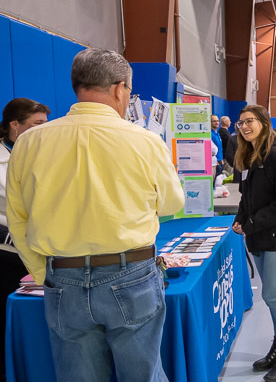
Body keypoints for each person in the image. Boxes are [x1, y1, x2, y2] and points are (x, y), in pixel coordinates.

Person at [6, 48, 184, 381]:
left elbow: (17, 217)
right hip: (131, 273)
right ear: (120, 89)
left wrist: (41, 269)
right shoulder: (144, 142)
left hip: (63, 276)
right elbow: (172, 203)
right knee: (143, 375)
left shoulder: (29, 143)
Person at [232, 105, 276, 382]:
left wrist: (251, 224)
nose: (245, 126)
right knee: (270, 296)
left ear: (264, 122)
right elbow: (246, 197)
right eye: (241, 123)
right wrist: (240, 219)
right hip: (258, 235)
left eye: (250, 121)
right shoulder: (250, 156)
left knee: (272, 295)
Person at [0, 98, 49, 380]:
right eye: (37, 125)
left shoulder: (43, 154)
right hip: (8, 253)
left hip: (39, 247)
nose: (44, 130)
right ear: (15, 126)